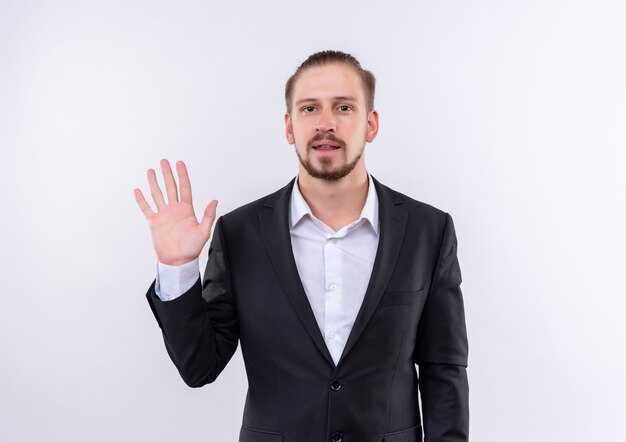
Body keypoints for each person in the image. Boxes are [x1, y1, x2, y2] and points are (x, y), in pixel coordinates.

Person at [134, 50, 469, 442]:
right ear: (289, 126)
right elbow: (198, 367)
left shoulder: (428, 230)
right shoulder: (239, 233)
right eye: (309, 109)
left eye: (343, 107)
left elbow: (443, 370)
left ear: (371, 124)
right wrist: (177, 268)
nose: (325, 123)